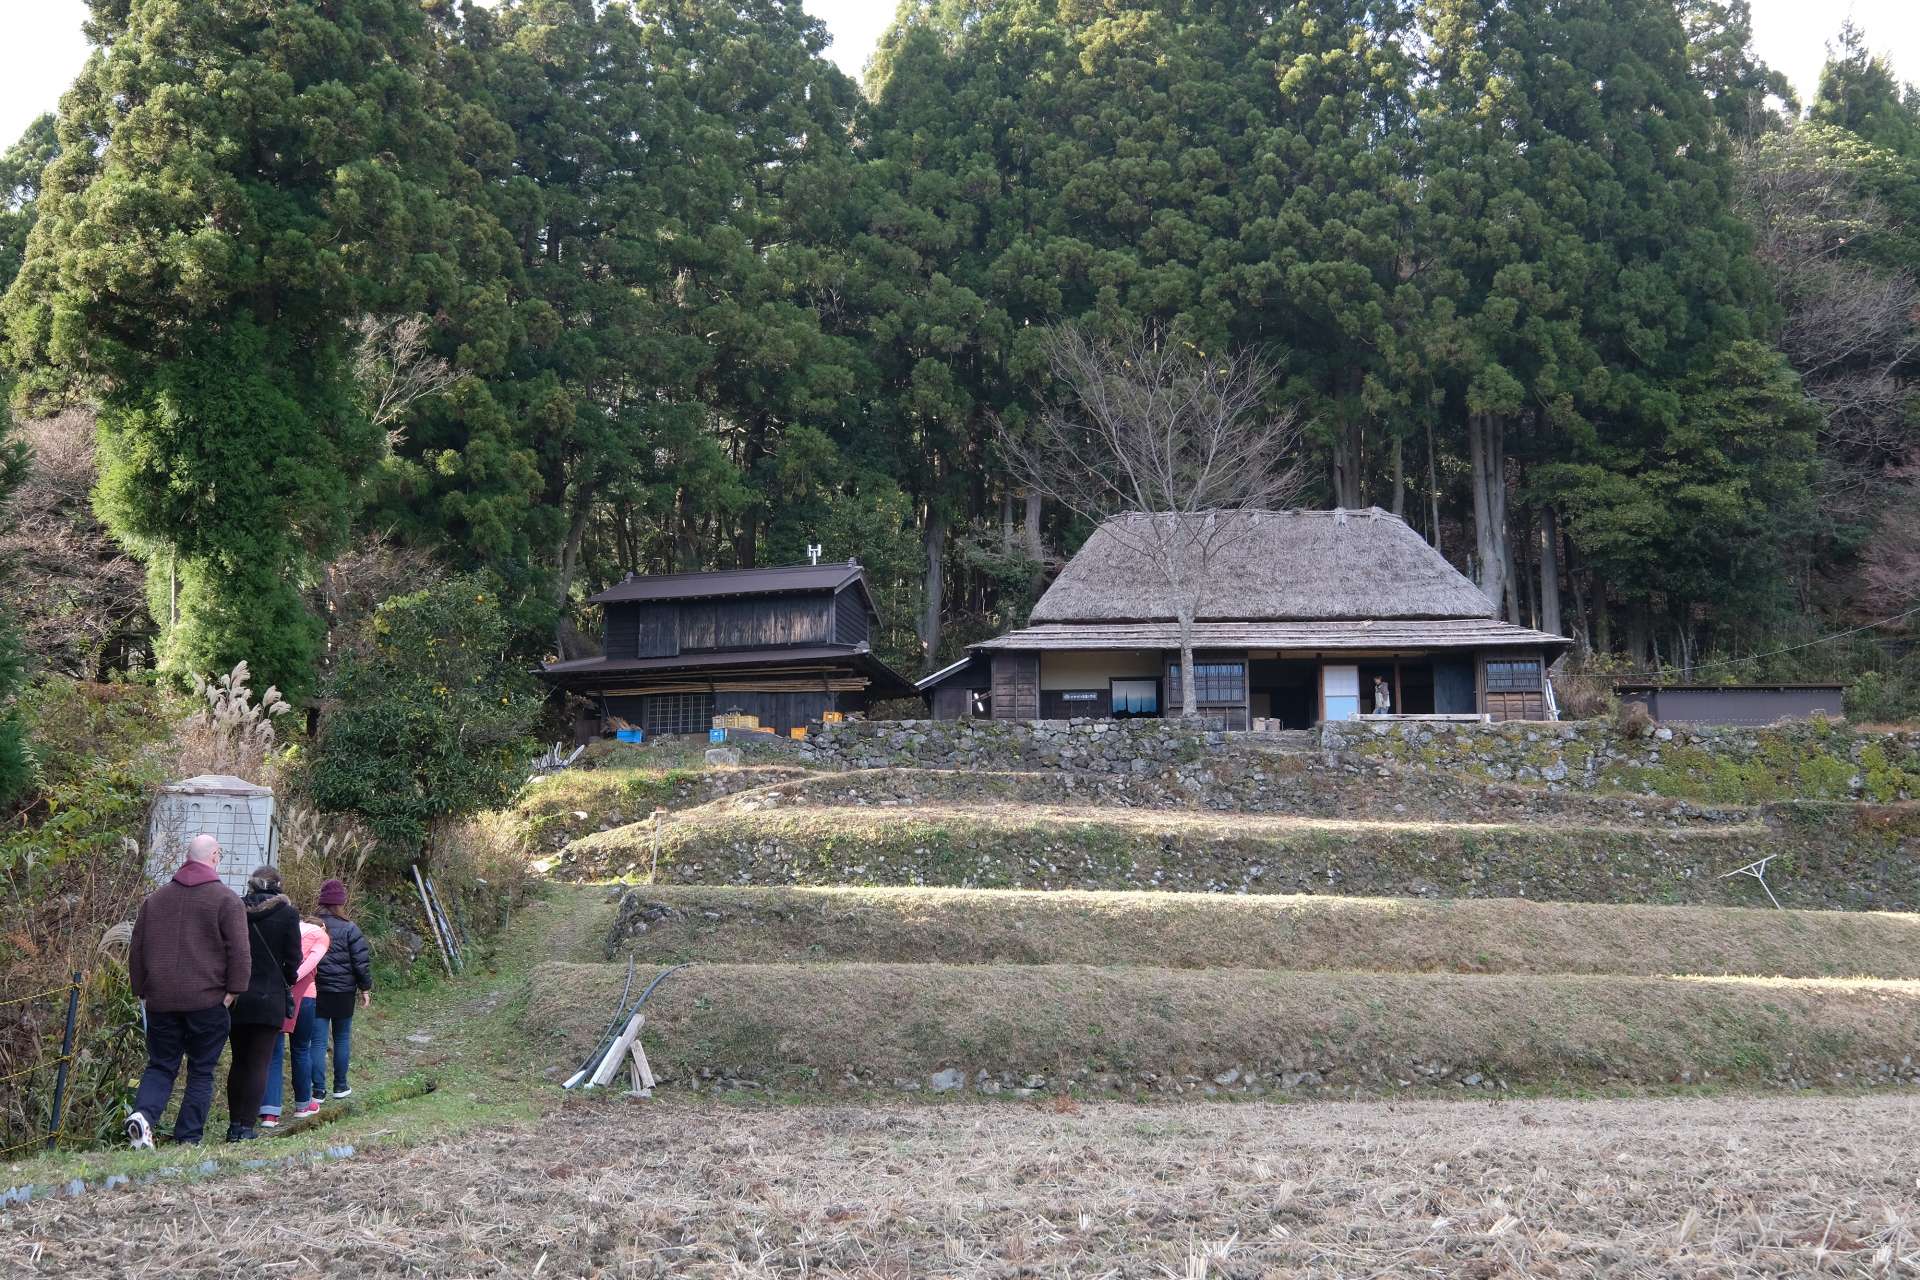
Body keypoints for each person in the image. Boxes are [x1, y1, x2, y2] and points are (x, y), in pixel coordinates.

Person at [125, 833, 249, 1148]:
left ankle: (143, 1116)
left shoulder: (155, 899)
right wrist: (234, 990)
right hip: (208, 999)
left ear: (187, 858)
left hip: (160, 999)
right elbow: (239, 950)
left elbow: (137, 949)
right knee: (201, 1070)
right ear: (215, 856)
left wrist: (140, 988)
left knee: (160, 1065)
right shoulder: (226, 899)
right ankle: (188, 1138)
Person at [260, 915, 330, 1127]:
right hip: (306, 996)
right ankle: (303, 1105)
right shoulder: (320, 936)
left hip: (276, 995)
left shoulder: (281, 927)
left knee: (273, 1053)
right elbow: (311, 962)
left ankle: (270, 1113)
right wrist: (292, 978)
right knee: (301, 1049)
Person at [312, 879, 372, 1099]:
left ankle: (317, 1090)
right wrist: (365, 988)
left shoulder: (313, 926)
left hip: (317, 991)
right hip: (344, 992)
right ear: (341, 902)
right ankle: (340, 1085)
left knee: (317, 1041)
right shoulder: (350, 928)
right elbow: (361, 962)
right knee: (342, 1038)